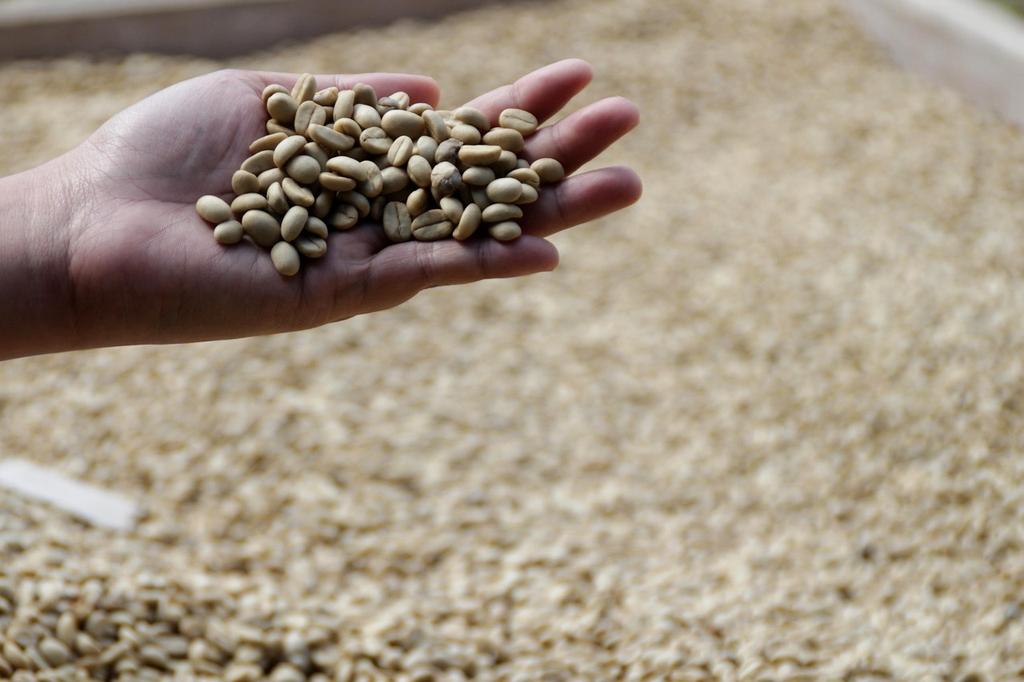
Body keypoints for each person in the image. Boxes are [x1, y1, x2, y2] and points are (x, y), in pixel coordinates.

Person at [0, 59, 641, 361]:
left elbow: (382, 172)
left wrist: (65, 235)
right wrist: (64, 235)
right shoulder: (296, 171)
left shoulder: (379, 166)